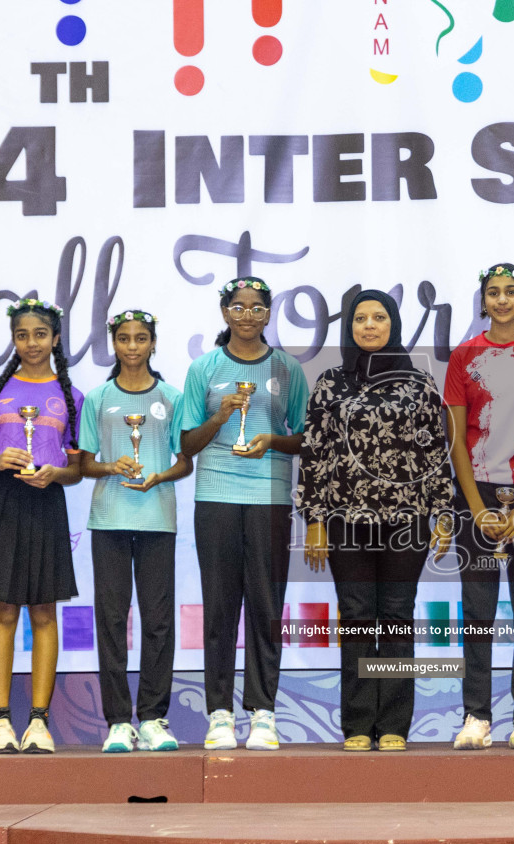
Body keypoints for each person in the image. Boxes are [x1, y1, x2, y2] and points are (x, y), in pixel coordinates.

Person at [298, 290, 455, 751]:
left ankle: (393, 725)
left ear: (394, 324)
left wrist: (443, 512)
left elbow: (433, 453)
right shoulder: (330, 383)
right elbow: (314, 456)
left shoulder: (419, 383)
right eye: (360, 318)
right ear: (349, 327)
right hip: (346, 521)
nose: (369, 325)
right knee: (359, 619)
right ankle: (358, 723)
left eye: (379, 317)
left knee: (396, 619)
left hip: (407, 522)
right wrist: (314, 519)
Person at [176, 277, 309, 752]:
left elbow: (308, 438)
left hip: (271, 498)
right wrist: (219, 417)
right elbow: (185, 445)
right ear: (225, 312)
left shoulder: (287, 368)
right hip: (215, 496)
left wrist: (272, 440)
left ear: (269, 314)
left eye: (257, 307)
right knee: (220, 607)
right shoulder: (204, 369)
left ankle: (264, 713)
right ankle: (219, 714)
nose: (247, 314)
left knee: (266, 607)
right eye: (238, 306)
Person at [443, 263, 514, 749]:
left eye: (511, 292)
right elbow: (455, 438)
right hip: (477, 495)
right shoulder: (464, 357)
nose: (502, 300)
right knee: (478, 608)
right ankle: (477, 716)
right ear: (483, 301)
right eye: (493, 293)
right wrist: (476, 507)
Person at [0, 298, 84, 754]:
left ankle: (39, 721)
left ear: (55, 339)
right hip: (2, 502)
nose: (31, 343)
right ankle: (0, 722)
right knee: (4, 611)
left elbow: (77, 468)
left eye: (40, 334)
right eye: (22, 335)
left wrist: (56, 473)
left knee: (43, 612)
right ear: (13, 340)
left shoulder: (72, 398)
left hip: (47, 502)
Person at [78, 310, 192, 753]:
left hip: (157, 520)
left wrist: (158, 477)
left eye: (140, 338)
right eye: (123, 338)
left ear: (153, 343)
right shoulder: (98, 397)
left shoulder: (172, 396)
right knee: (111, 620)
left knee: (158, 620)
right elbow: (84, 463)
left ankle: (153, 718)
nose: (131, 346)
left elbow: (184, 460)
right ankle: (117, 721)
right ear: (114, 343)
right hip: (108, 519)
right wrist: (112, 466)